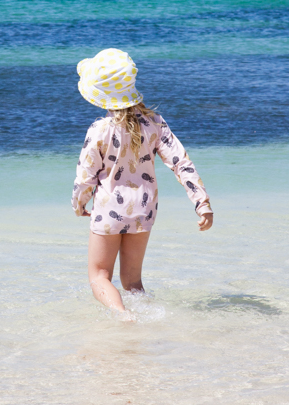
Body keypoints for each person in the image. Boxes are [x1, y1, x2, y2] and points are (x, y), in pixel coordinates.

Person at [72, 48, 213, 316]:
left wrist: (78, 204)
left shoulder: (99, 130)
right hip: (144, 210)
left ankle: (124, 317)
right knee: (133, 282)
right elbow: (181, 162)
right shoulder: (155, 123)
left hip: (108, 210)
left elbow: (85, 177)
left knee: (99, 277)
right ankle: (149, 319)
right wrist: (202, 203)